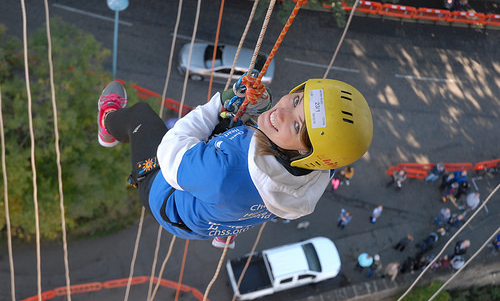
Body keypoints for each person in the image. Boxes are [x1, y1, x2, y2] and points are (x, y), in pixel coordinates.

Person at [97, 79, 373, 249]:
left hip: (166, 197)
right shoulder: (316, 175)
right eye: (297, 99)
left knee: (140, 116)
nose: (282, 112)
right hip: (216, 217)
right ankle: (225, 229)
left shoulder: (227, 170)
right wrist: (258, 105)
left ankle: (107, 122)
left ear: (307, 151)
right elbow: (272, 139)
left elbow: (172, 151)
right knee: (231, 153)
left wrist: (219, 102)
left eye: (297, 124)